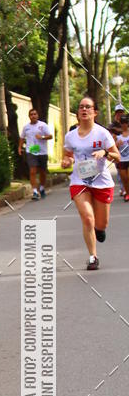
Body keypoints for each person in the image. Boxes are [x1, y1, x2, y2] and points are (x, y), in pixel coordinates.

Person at [61, 97, 120, 271]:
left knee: (101, 224)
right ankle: (93, 257)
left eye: (88, 107)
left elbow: (116, 155)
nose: (84, 110)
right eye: (81, 107)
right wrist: (66, 161)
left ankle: (99, 229)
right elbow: (68, 155)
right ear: (78, 112)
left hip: (101, 181)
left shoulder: (102, 133)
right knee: (87, 217)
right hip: (80, 180)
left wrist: (105, 152)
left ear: (95, 112)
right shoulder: (71, 136)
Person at [18, 108, 53, 200]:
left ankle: (41, 188)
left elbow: (50, 136)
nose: (33, 116)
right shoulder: (26, 127)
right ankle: (34, 192)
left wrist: (41, 137)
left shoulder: (43, 125)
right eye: (31, 114)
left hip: (42, 151)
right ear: (29, 116)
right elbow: (22, 138)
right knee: (32, 171)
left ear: (37, 115)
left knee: (42, 172)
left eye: (35, 114)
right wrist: (19, 147)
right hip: (31, 151)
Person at [115, 114, 129, 201]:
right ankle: (127, 193)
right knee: (124, 179)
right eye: (122, 123)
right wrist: (116, 145)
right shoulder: (117, 135)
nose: (124, 125)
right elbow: (112, 148)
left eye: (126, 123)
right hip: (121, 160)